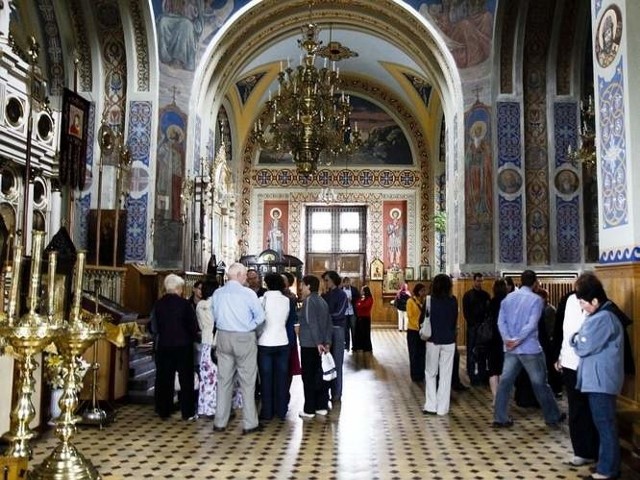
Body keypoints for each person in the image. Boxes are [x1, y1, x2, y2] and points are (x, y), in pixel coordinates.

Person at [493, 270, 564, 428]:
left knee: (505, 382)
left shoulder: (508, 298)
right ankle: (552, 416)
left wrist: (508, 340)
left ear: (520, 281)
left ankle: (499, 417)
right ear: (535, 283)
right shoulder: (536, 300)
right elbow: (531, 325)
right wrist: (518, 340)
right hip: (530, 349)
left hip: (511, 349)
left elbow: (500, 322)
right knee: (540, 383)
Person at [571, 273, 624, 480]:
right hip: (598, 379)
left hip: (601, 381)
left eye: (583, 302)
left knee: (605, 424)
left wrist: (575, 339)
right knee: (603, 423)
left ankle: (607, 470)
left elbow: (582, 346)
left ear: (595, 300)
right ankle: (607, 466)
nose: (582, 307)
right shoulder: (601, 315)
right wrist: (578, 338)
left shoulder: (603, 318)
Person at [212, 263, 265, 434]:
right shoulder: (248, 293)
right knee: (247, 382)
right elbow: (261, 316)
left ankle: (220, 422)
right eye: (245, 276)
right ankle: (250, 424)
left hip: (223, 337)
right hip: (244, 338)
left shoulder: (218, 293)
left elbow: (214, 315)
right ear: (240, 274)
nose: (246, 279)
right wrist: (249, 326)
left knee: (224, 380)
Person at [554, 290, 598, 467]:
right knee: (576, 408)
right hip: (570, 362)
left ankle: (594, 450)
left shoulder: (598, 304)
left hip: (589, 363)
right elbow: (565, 331)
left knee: (592, 408)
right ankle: (580, 451)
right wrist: (561, 356)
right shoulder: (570, 301)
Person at [152, 274, 199, 420]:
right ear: (178, 288)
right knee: (186, 379)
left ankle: (163, 410)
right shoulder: (185, 305)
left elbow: (153, 326)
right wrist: (192, 337)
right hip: (183, 346)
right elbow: (193, 326)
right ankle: (188, 412)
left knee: (164, 378)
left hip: (165, 345)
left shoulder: (158, 304)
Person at [298, 275, 333, 419]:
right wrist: (327, 343)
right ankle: (321, 406)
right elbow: (328, 323)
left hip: (310, 345)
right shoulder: (322, 301)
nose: (301, 288)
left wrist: (318, 342)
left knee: (308, 377)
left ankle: (309, 409)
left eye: (302, 285)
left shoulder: (309, 301)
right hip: (322, 346)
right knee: (321, 375)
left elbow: (311, 323)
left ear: (308, 286)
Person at [257, 273, 291, 421]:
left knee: (266, 378)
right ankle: (282, 410)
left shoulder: (261, 300)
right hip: (282, 341)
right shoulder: (286, 300)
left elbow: (259, 321)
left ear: (267, 284)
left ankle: (267, 411)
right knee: (282, 377)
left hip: (265, 342)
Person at [423, 274, 458, 416]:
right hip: (449, 341)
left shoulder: (429, 300)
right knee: (446, 374)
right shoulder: (453, 301)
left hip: (433, 340)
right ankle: (443, 408)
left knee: (431, 373)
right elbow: (454, 320)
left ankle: (431, 405)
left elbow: (423, 318)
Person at [321, 270, 349, 403]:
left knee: (337, 362)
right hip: (326, 330)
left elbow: (340, 313)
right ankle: (325, 392)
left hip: (337, 330)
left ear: (333, 280)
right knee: (326, 362)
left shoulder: (342, 294)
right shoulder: (325, 295)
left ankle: (336, 393)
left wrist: (327, 317)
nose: (325, 283)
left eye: (327, 280)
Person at [462, 272, 491, 385]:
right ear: (473, 281)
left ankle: (482, 374)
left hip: (483, 328)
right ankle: (472, 375)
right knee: (471, 351)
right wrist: (473, 324)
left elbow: (488, 311)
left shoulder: (485, 295)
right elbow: (466, 312)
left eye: (481, 281)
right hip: (473, 328)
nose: (479, 283)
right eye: (478, 281)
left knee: (483, 352)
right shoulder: (468, 295)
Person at [196, 280, 219, 417]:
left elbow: (200, 325)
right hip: (216, 342)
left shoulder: (200, 305)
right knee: (218, 376)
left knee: (206, 377)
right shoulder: (217, 304)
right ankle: (217, 407)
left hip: (205, 342)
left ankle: (205, 407)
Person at [486, 278, 507, 402]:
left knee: (493, 369)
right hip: (505, 339)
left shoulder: (491, 302)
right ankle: (503, 397)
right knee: (504, 369)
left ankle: (495, 397)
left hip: (492, 338)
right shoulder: (508, 302)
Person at [406, 283, 427, 383]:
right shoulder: (410, 301)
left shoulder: (425, 302)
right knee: (414, 353)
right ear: (418, 291)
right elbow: (410, 316)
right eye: (422, 291)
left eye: (424, 291)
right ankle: (414, 375)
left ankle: (421, 373)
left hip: (422, 331)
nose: (424, 293)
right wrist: (418, 326)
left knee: (422, 353)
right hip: (413, 331)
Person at [342, 277, 361, 352]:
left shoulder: (354, 289)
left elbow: (358, 298)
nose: (347, 283)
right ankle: (346, 345)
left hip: (352, 312)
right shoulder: (340, 290)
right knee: (345, 329)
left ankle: (355, 345)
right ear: (343, 283)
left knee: (354, 329)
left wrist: (352, 300)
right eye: (345, 282)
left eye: (348, 282)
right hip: (344, 313)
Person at [353, 285, 373, 353]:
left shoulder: (369, 298)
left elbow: (365, 306)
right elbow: (356, 305)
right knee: (358, 333)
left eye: (362, 290)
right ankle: (359, 346)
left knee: (365, 333)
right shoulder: (361, 298)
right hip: (359, 317)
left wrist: (360, 304)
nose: (361, 291)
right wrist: (360, 304)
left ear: (365, 291)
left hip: (365, 318)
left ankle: (366, 347)